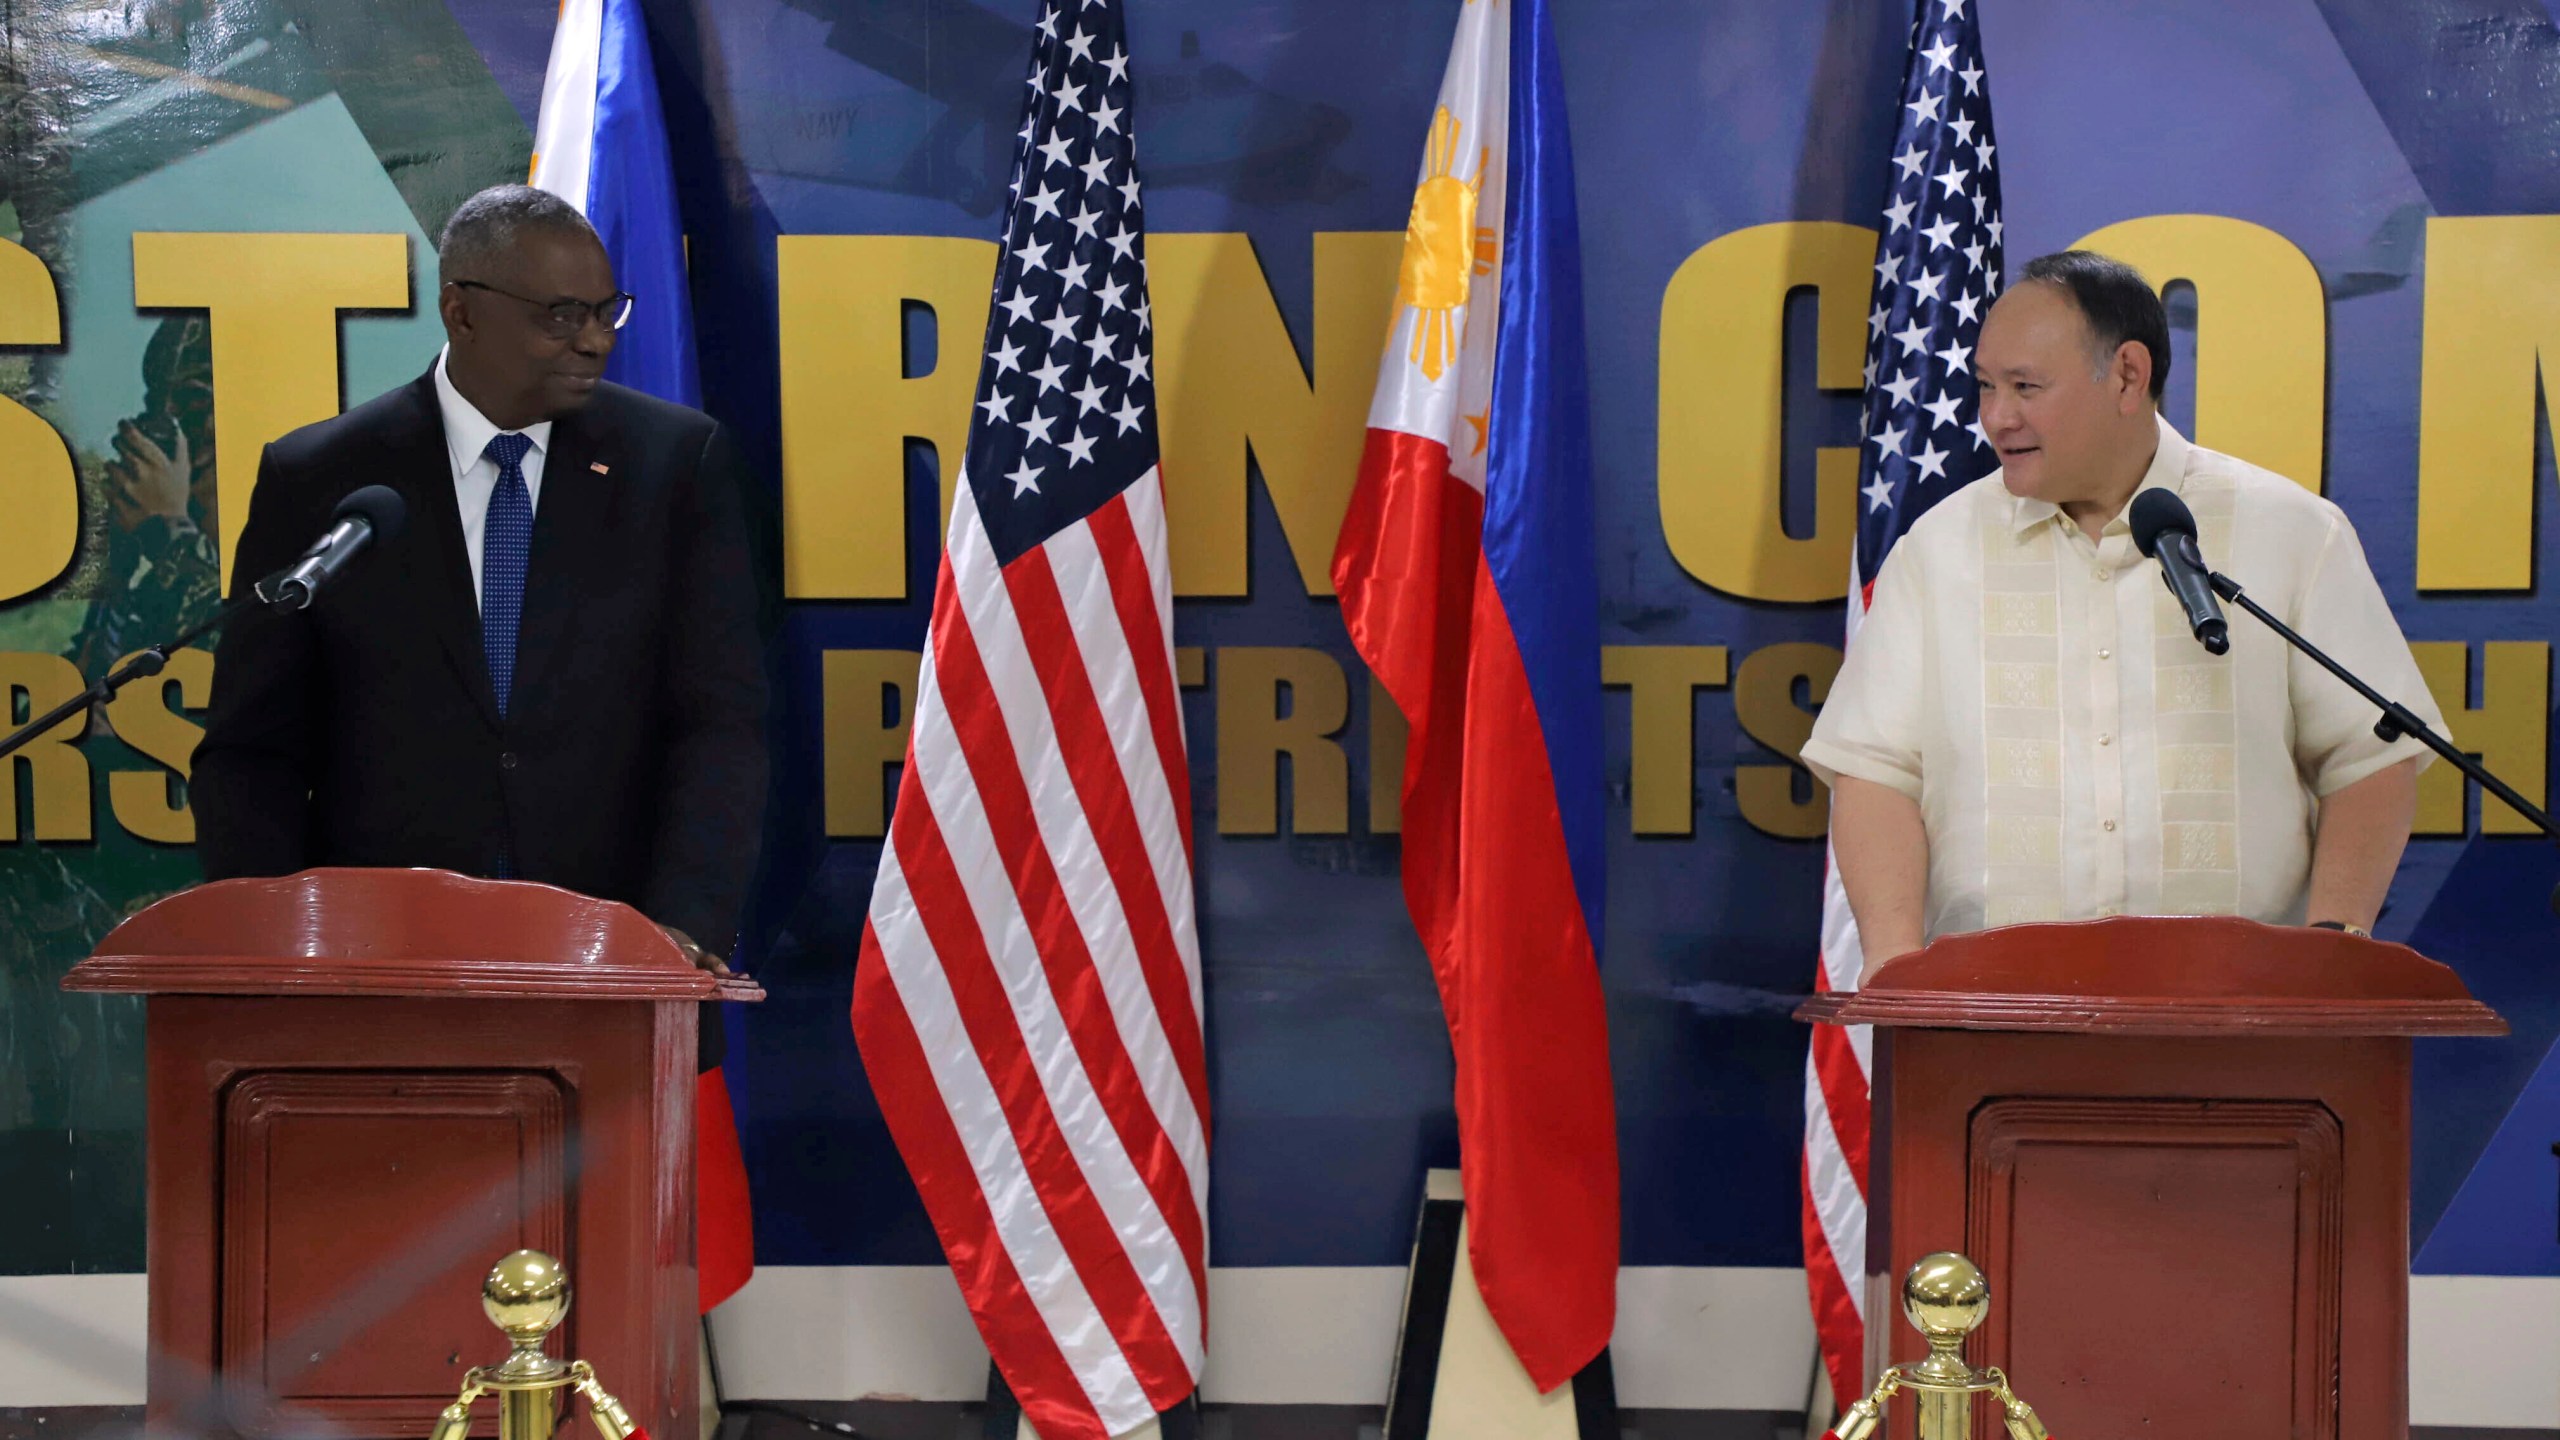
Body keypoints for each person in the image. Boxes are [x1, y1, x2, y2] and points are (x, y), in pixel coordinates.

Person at [192, 185, 768, 1047]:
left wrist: (679, 927)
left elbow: (720, 724)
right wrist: (286, 956)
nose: (596, 339)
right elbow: (252, 752)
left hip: (612, 984)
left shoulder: (675, 466)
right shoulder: (322, 475)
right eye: (563, 315)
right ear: (460, 313)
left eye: (608, 310)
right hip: (375, 992)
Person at [1802, 249, 2440, 976]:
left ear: (2128, 377)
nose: (1994, 418)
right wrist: (1896, 972)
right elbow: (1875, 771)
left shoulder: (2291, 533)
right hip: (1990, 1020)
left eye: (2024, 387)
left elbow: (2371, 754)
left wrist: (2332, 960)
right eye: (1984, 387)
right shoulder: (1938, 550)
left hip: (2243, 1020)